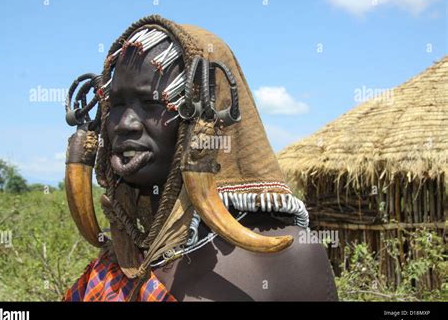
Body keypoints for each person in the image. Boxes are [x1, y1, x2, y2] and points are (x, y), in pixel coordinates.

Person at [62, 15, 338, 301]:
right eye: (116, 104)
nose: (124, 123)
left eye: (152, 103)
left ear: (209, 117)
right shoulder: (118, 261)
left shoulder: (288, 256)